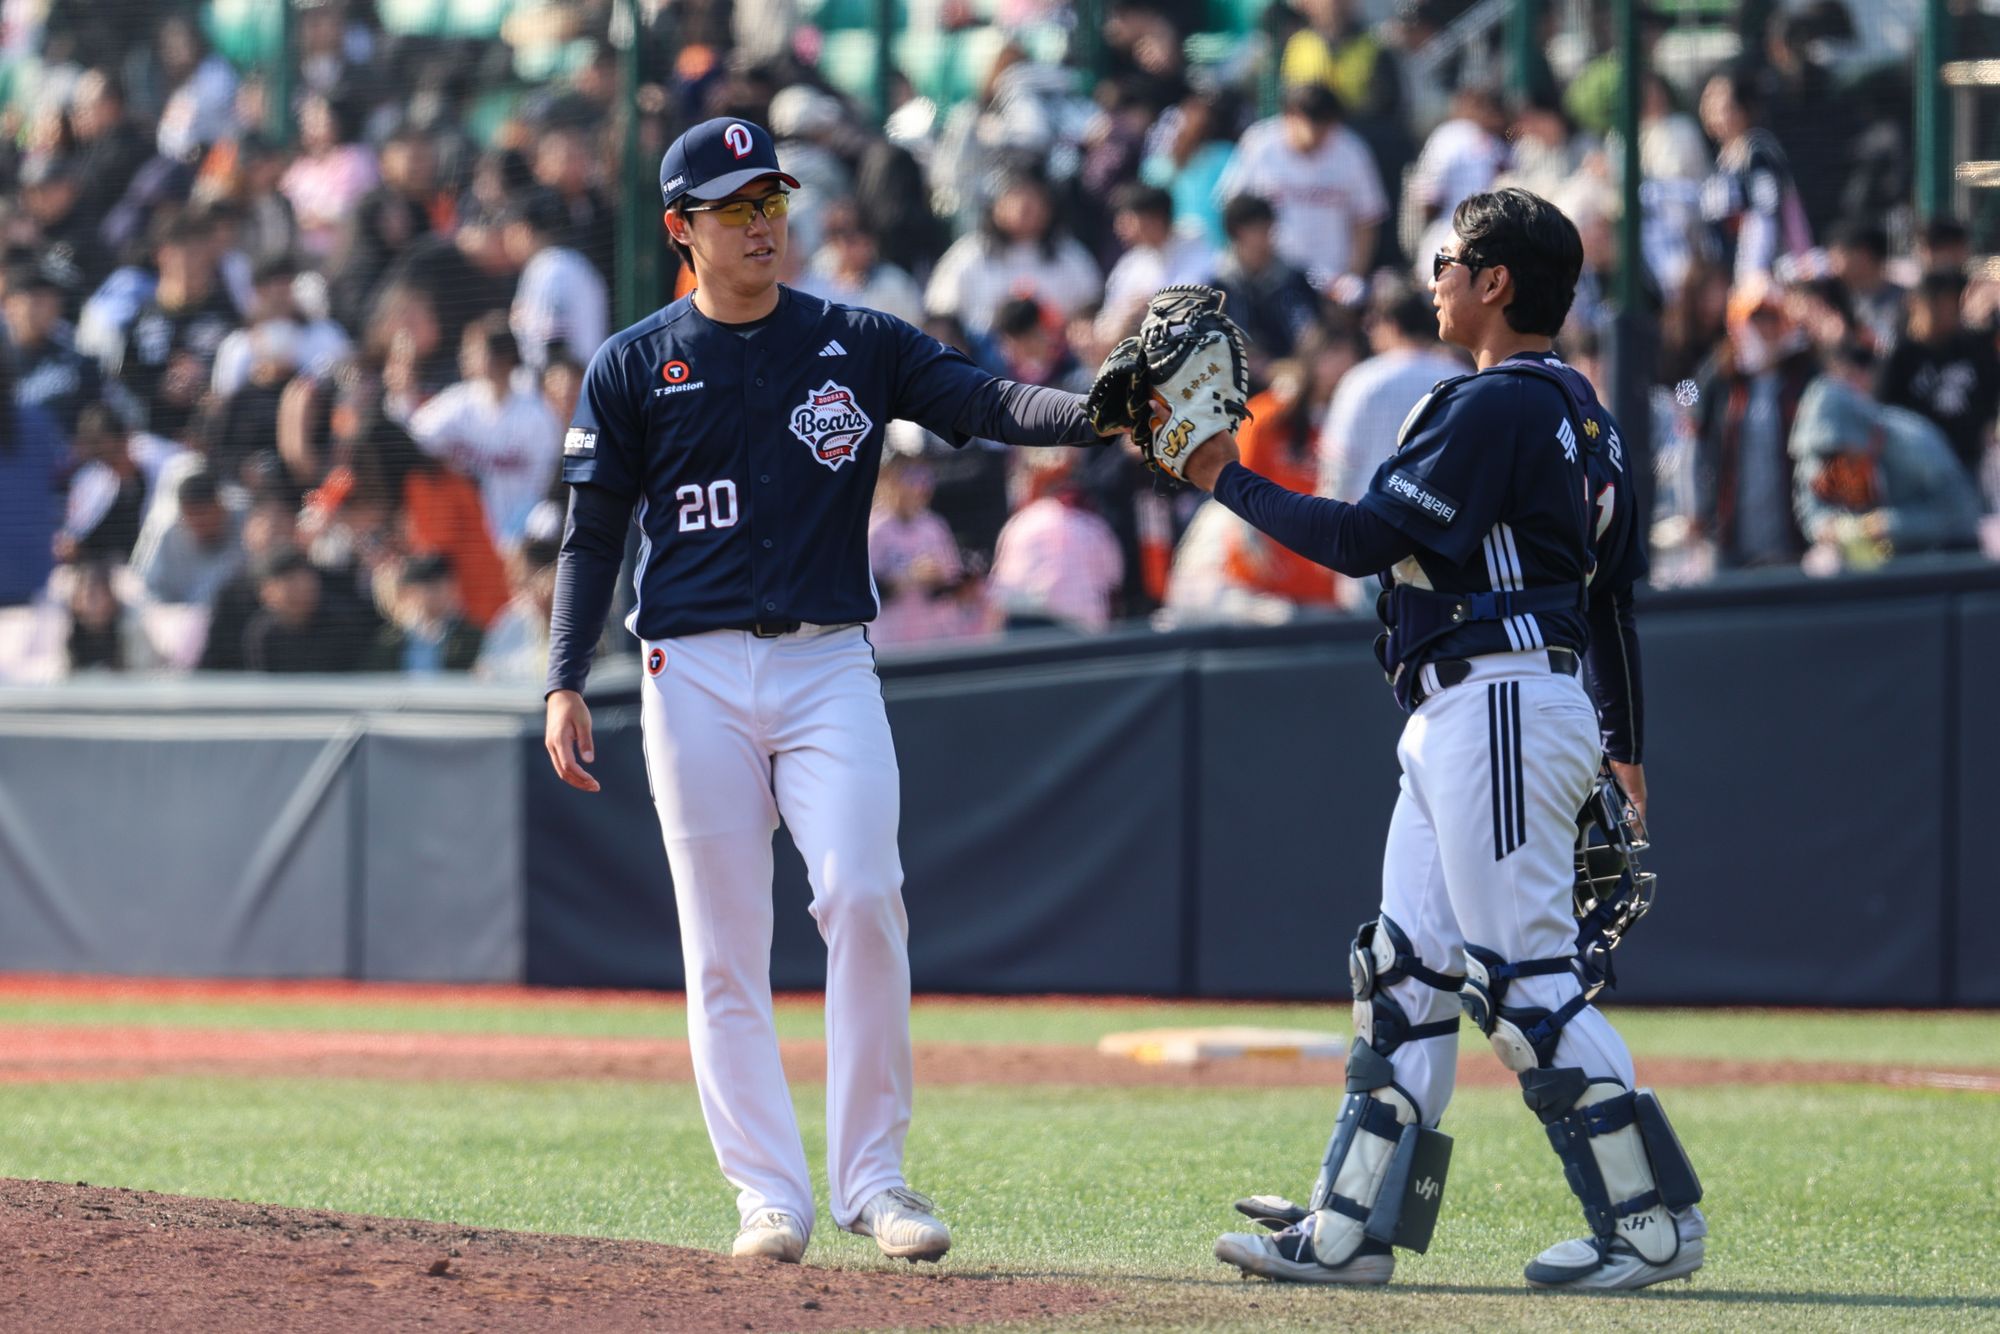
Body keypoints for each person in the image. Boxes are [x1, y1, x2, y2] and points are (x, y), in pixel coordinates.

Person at [541, 117, 1115, 1268]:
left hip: (824, 662)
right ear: (680, 229)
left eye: (772, 199)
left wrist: (1101, 411)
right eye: (735, 204)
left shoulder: (855, 338)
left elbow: (988, 405)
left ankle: (873, 1179)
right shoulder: (633, 362)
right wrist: (563, 674)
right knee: (723, 942)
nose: (762, 221)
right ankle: (768, 1193)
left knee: (861, 892)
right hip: (688, 667)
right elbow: (590, 531)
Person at [1152, 189, 1704, 1290]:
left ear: (1496, 281)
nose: (1436, 275)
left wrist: (1217, 470)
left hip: (1492, 700)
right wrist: (1624, 750)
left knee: (1527, 983)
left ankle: (1648, 1224)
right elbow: (1612, 604)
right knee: (1404, 971)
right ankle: (1353, 1226)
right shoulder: (1582, 411)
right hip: (1479, 706)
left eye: (1450, 259)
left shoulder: (1492, 404)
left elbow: (1360, 538)